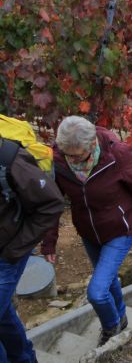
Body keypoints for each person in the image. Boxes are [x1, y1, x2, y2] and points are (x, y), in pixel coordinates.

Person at [41, 116, 132, 346]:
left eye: (77, 155)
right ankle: (121, 317)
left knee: (96, 292)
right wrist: (49, 242)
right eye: (68, 154)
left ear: (92, 144)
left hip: (121, 228)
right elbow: (53, 203)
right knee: (106, 280)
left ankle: (112, 329)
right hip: (89, 231)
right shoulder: (58, 159)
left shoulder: (117, 155)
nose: (72, 160)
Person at [0, 139, 65, 363]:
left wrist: (13, 250)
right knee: (3, 313)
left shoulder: (11, 160)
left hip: (6, 254)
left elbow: (52, 204)